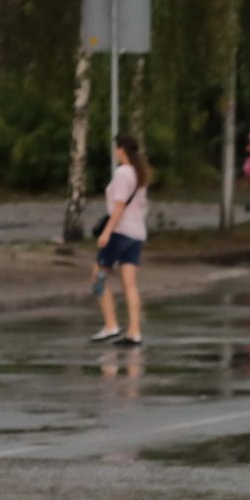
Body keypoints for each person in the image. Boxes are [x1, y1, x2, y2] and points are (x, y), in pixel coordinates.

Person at [92, 134, 151, 346]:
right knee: (129, 283)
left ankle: (110, 325)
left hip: (120, 233)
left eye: (116, 148)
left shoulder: (123, 173)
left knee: (97, 278)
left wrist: (106, 233)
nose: (114, 153)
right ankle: (134, 331)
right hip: (137, 233)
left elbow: (118, 208)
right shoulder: (140, 173)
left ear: (121, 149)